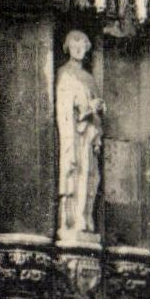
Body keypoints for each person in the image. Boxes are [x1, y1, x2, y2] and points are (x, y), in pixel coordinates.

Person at [55, 30, 104, 239]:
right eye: (75, 44)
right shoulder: (64, 74)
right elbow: (64, 111)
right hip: (73, 135)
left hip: (89, 135)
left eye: (83, 45)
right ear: (67, 48)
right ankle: (73, 219)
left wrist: (96, 110)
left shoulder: (89, 78)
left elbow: (95, 111)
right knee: (75, 174)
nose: (79, 48)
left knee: (91, 175)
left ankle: (86, 216)